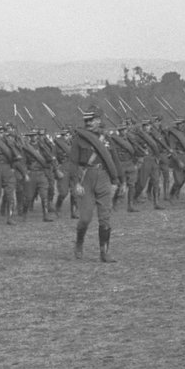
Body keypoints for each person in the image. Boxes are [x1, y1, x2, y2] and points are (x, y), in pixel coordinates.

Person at [67, 104, 125, 262]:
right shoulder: (79, 138)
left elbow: (115, 161)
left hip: (104, 178)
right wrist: (75, 183)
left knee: (105, 218)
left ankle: (104, 252)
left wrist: (121, 180)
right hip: (86, 178)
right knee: (85, 218)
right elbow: (72, 162)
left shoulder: (106, 139)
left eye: (91, 121)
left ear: (99, 120)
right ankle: (79, 243)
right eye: (86, 121)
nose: (88, 124)